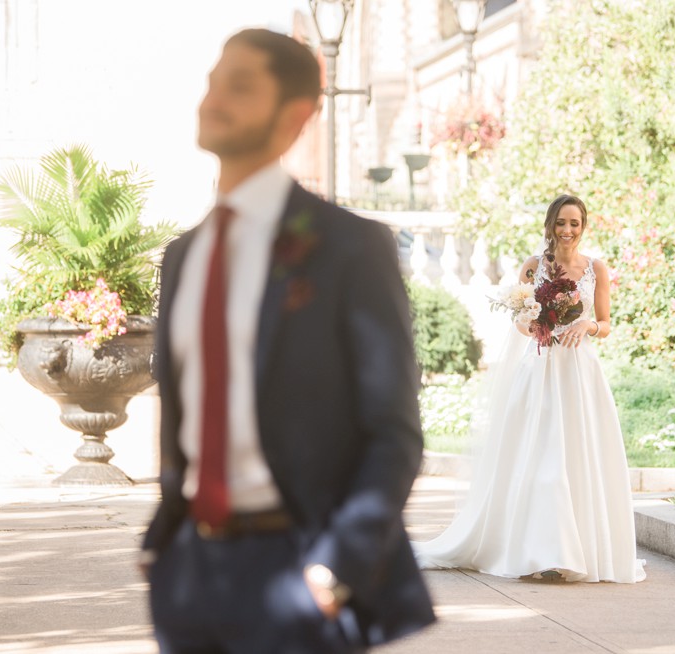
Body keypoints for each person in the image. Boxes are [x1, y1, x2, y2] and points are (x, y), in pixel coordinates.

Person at [140, 28, 435, 653]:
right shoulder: (182, 257)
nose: (212, 98)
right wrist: (161, 547)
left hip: (297, 572)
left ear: (296, 115)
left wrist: (336, 569)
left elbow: (394, 431)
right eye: (214, 80)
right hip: (192, 577)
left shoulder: (350, 249)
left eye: (240, 86)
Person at [412, 194, 646, 584]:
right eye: (561, 223)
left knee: (573, 457)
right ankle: (543, 554)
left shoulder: (596, 269)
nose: (568, 230)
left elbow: (604, 323)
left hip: (579, 374)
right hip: (538, 369)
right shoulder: (533, 267)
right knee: (540, 462)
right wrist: (537, 323)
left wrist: (584, 325)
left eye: (575, 223)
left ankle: (574, 553)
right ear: (550, 225)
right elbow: (518, 319)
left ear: (583, 226)